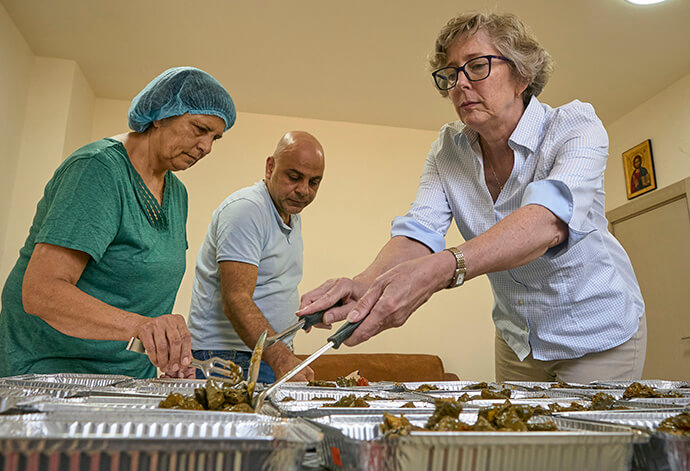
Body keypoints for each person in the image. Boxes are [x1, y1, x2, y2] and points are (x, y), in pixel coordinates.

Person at [298, 12, 646, 383]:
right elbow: (420, 231)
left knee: (586, 441)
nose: (459, 84)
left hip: (597, 335)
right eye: (450, 74)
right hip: (519, 340)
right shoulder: (448, 149)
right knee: (517, 440)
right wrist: (365, 284)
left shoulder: (575, 126)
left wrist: (444, 269)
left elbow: (545, 223)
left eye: (477, 66)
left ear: (522, 75)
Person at [0, 67, 236, 379]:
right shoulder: (98, 169)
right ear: (161, 116)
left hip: (127, 378)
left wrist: (164, 354)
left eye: (214, 138)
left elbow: (141, 296)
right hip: (50, 373)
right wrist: (141, 327)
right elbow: (41, 292)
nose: (206, 147)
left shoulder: (177, 193)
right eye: (199, 129)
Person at [187, 131, 325, 383]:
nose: (304, 190)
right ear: (270, 166)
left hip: (264, 353)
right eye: (294, 177)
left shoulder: (291, 213)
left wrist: (308, 311)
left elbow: (270, 285)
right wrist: (282, 359)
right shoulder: (247, 209)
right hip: (229, 356)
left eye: (314, 182)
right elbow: (236, 300)